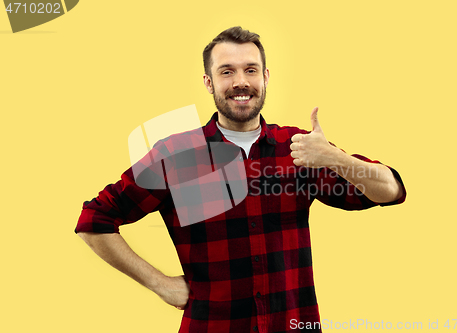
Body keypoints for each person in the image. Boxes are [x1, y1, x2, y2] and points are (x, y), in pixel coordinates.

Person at [76, 26, 406, 333]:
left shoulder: (300, 149)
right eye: (226, 71)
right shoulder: (175, 154)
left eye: (250, 70)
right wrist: (159, 283)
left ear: (265, 77)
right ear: (208, 82)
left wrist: (334, 158)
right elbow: (94, 220)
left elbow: (389, 190)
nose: (240, 82)